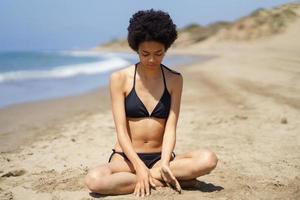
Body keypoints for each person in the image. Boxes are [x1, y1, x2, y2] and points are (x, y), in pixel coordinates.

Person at [85, 9, 218, 197]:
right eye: (145, 53)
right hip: (127, 160)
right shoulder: (119, 78)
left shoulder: (174, 79)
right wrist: (138, 166)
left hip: (160, 157)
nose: (152, 59)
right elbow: (121, 130)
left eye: (159, 53)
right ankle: (159, 180)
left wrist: (165, 162)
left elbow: (171, 127)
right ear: (136, 49)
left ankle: (155, 176)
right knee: (94, 180)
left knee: (208, 159)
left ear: (166, 49)